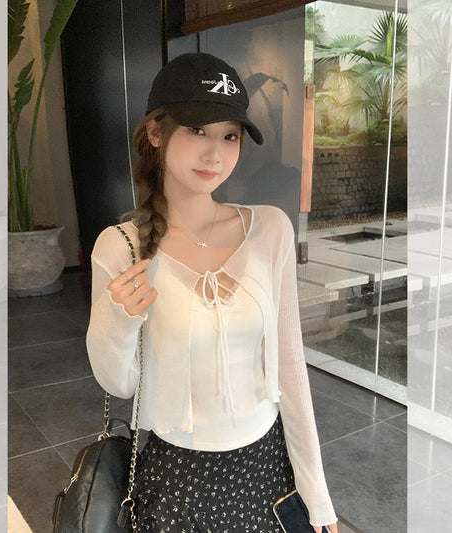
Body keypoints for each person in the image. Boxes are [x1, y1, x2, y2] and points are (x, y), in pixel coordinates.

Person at [86, 52, 338, 532]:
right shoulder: (120, 247)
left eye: (230, 136)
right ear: (156, 132)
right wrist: (116, 319)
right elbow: (119, 384)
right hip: (177, 478)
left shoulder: (270, 229)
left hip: (266, 470)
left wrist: (318, 499)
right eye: (197, 130)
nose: (215, 154)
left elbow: (290, 366)